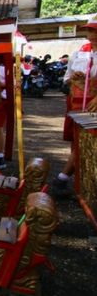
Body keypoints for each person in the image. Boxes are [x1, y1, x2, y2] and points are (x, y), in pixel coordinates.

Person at [52, 19, 97, 192]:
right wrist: (74, 79)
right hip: (77, 104)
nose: (92, 35)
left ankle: (63, 178)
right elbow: (65, 82)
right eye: (90, 31)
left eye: (95, 31)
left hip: (93, 106)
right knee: (78, 142)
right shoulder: (78, 54)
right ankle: (79, 184)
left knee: (87, 142)